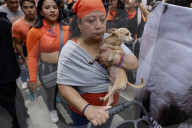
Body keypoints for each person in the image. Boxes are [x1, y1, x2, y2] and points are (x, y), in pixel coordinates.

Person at [57, 0, 139, 127]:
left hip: (110, 109)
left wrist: (117, 59)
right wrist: (87, 108)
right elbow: (63, 86)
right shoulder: (70, 50)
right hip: (84, 115)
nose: (99, 26)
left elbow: (134, 64)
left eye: (102, 19)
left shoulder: (112, 38)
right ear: (79, 23)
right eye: (91, 21)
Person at [26, 0, 69, 123]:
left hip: (65, 67)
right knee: (50, 92)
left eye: (54, 7)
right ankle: (52, 109)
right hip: (47, 68)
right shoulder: (34, 31)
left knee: (66, 88)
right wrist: (33, 79)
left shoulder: (66, 28)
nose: (52, 10)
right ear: (40, 11)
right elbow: (32, 56)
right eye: (47, 7)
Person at [0, 11, 28, 128]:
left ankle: (20, 123)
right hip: (8, 69)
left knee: (9, 100)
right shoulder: (3, 21)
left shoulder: (3, 22)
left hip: (3, 71)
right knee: (14, 95)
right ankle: (23, 115)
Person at [12, 0, 36, 100]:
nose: (29, 10)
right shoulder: (17, 25)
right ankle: (31, 90)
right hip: (30, 54)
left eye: (31, 7)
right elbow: (17, 44)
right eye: (26, 7)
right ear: (21, 9)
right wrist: (24, 58)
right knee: (32, 78)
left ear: (35, 7)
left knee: (49, 78)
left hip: (45, 53)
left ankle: (52, 94)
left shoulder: (43, 20)